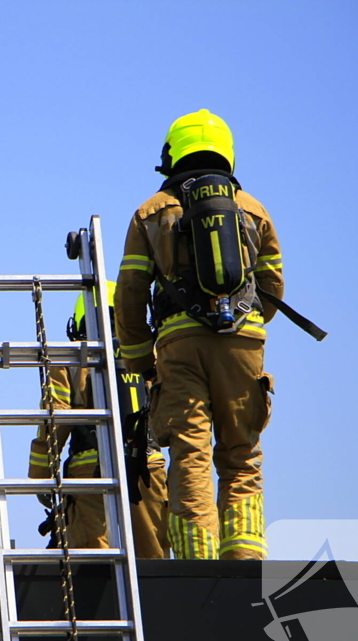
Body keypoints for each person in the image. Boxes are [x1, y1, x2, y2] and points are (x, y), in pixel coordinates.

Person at [114, 109, 283, 560]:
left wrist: (140, 362)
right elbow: (273, 289)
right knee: (242, 452)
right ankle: (246, 558)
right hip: (244, 341)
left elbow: (130, 293)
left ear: (172, 153)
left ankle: (197, 564)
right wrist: (241, 325)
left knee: (190, 451)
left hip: (179, 347)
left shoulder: (150, 211)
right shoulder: (254, 210)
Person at [28, 282, 171, 559]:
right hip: (146, 467)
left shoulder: (69, 359)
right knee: (152, 560)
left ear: (79, 320)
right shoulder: (152, 357)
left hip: (88, 474)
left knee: (91, 565)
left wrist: (41, 477)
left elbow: (54, 422)